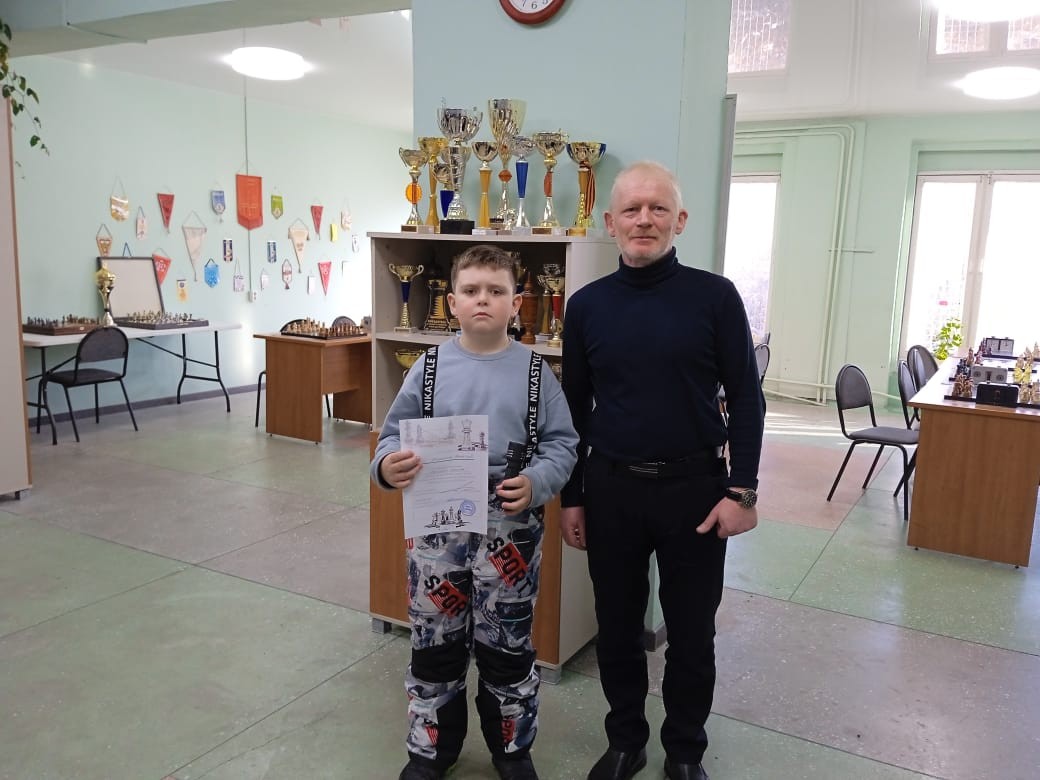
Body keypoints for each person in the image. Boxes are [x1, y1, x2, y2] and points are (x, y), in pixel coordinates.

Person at [560, 161, 765, 780]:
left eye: (657, 208)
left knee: (692, 633)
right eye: (631, 209)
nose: (643, 220)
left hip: (696, 493)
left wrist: (742, 490)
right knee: (617, 628)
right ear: (611, 222)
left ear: (680, 220)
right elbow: (573, 409)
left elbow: (746, 398)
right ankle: (626, 740)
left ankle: (684, 751)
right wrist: (572, 496)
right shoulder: (586, 306)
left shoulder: (715, 297)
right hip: (612, 488)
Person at [372, 244, 579, 780]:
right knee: (434, 641)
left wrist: (537, 482)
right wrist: (387, 465)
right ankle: (430, 750)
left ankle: (511, 749)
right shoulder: (428, 368)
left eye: (495, 290)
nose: (482, 299)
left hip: (511, 528)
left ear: (516, 304)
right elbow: (391, 435)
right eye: (470, 290)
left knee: (506, 646)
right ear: (453, 302)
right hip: (437, 532)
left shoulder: (536, 373)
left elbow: (563, 444)